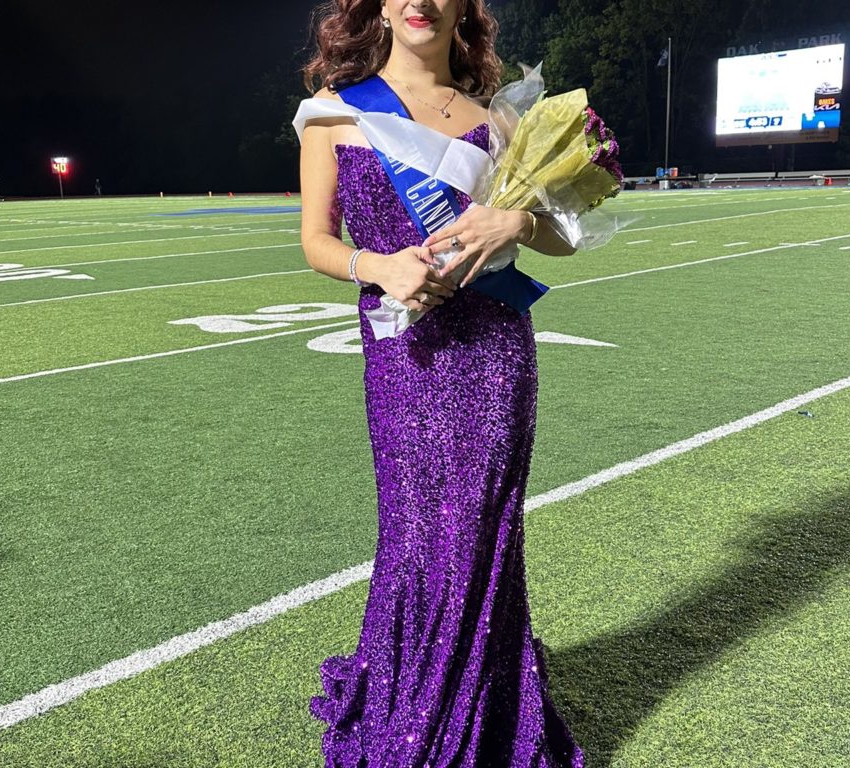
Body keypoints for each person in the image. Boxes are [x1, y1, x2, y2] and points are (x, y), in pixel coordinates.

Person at [296, 0, 585, 765]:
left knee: (486, 533)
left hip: (495, 355)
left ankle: (490, 716)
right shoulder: (332, 113)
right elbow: (316, 241)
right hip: (404, 355)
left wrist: (515, 225)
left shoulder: (501, 120)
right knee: (420, 534)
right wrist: (380, 266)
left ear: (463, 8)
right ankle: (411, 707)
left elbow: (561, 236)